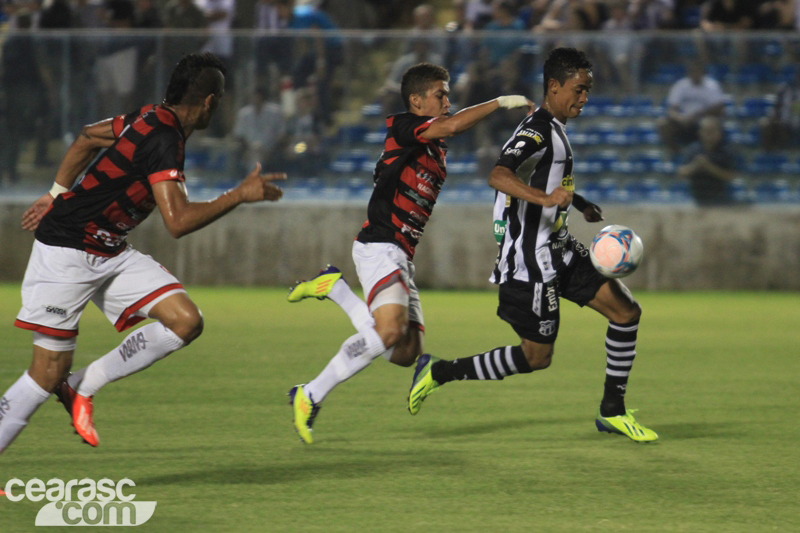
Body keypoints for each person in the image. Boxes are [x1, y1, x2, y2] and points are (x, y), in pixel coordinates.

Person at [0, 53, 285, 454]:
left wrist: (56, 192)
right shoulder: (164, 138)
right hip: (67, 251)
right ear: (209, 101)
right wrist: (238, 195)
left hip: (109, 248)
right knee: (46, 373)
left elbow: (86, 136)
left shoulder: (150, 115)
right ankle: (61, 386)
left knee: (185, 321)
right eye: (219, 98)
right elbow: (178, 221)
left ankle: (83, 385)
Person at [407, 48, 659, 443]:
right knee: (536, 358)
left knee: (626, 312)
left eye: (588, 90)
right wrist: (546, 201)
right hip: (531, 262)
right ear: (554, 87)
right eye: (578, 89)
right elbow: (499, 175)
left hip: (560, 248)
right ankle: (439, 371)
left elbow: (542, 180)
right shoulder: (537, 130)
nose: (584, 98)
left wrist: (578, 202)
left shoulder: (554, 129)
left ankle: (613, 411)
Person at [285, 62, 534, 444]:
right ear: (417, 101)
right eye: (441, 94)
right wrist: (500, 102)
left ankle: (335, 289)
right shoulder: (404, 127)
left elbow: (447, 131)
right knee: (387, 332)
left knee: (404, 352)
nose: (448, 101)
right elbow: (452, 124)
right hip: (379, 245)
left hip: (400, 253)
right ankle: (311, 394)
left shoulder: (435, 145)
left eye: (448, 94)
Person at [657, 61, 726, 157]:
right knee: (663, 124)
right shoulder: (680, 85)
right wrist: (680, 118)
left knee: (708, 124)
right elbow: (671, 109)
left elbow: (719, 108)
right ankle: (677, 153)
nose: (695, 74)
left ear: (703, 72)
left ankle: (708, 155)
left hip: (704, 119)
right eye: (692, 71)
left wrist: (698, 114)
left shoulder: (712, 85)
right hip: (684, 121)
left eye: (697, 71)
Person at [678, 116, 737, 206]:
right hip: (695, 199)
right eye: (706, 131)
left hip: (720, 200)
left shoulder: (726, 151)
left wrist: (709, 166)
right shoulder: (692, 150)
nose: (709, 134)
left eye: (713, 131)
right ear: (700, 132)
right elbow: (681, 174)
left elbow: (730, 176)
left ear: (719, 133)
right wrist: (695, 165)